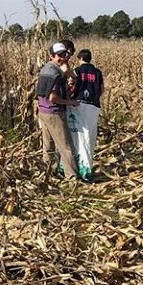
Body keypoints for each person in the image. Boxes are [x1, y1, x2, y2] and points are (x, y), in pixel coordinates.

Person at [37, 42, 80, 180]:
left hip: (43, 112)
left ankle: (49, 173)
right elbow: (53, 98)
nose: (62, 58)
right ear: (51, 56)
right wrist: (70, 102)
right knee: (66, 146)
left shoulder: (45, 69)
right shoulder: (55, 74)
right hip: (54, 113)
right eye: (59, 56)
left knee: (48, 145)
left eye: (64, 55)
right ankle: (72, 176)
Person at [67, 49, 105, 181]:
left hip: (78, 105)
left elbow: (71, 87)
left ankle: (74, 166)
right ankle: (87, 168)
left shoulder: (77, 71)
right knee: (90, 136)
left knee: (76, 135)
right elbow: (101, 90)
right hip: (93, 106)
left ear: (80, 58)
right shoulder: (98, 72)